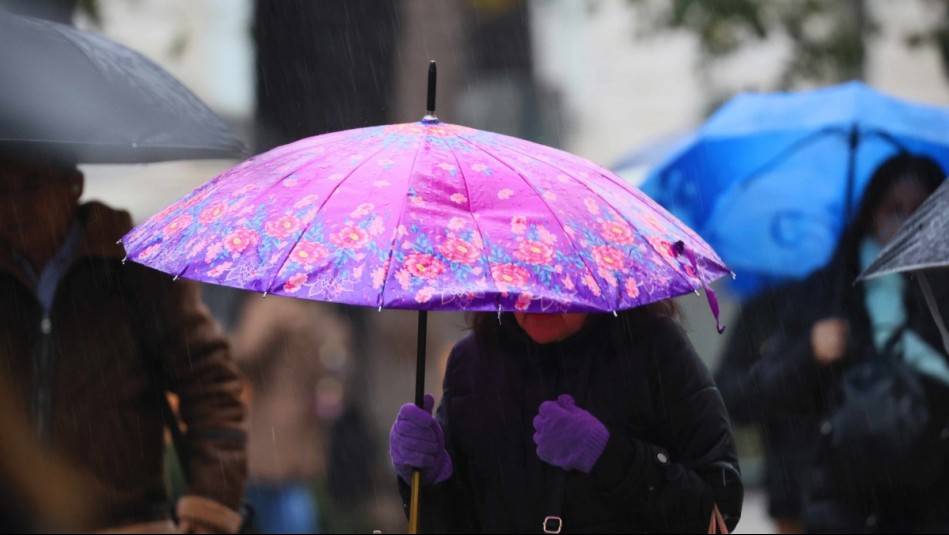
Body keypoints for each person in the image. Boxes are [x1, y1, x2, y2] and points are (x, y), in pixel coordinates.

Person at [0, 155, 248, 533]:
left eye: (31, 186)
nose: (14, 204)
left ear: (74, 187)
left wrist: (210, 505)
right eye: (2, 189)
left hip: (126, 523)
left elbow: (211, 384)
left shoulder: (135, 272)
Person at [388, 301, 744, 533]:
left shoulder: (655, 349)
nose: (537, 302)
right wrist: (428, 479)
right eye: (521, 280)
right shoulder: (473, 363)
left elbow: (716, 510)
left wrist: (610, 456)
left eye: (553, 283)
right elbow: (455, 523)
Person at [753, 153, 949, 533]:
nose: (903, 222)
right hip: (845, 500)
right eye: (892, 208)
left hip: (932, 498)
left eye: (918, 211)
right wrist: (810, 352)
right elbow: (759, 393)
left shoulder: (940, 293)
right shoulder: (832, 288)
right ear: (870, 213)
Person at [228, 294, 354, 534]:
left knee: (274, 498)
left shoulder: (272, 308)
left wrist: (220, 342)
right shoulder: (322, 314)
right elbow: (336, 370)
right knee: (284, 495)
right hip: (304, 426)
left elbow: (246, 353)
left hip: (271, 424)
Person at [714, 284, 815, 534]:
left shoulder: (849, 295)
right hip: (790, 488)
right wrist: (804, 353)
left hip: (862, 485)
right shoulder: (763, 310)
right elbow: (730, 395)